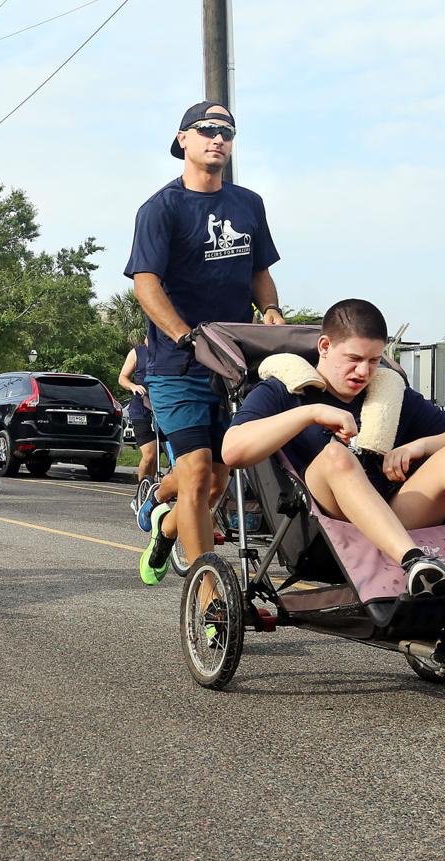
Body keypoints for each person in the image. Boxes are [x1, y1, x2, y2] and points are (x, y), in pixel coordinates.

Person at [221, 299, 445, 595]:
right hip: (326, 530)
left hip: (394, 514)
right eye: (354, 359)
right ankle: (415, 564)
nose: (363, 372)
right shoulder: (284, 391)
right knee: (335, 455)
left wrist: (420, 447)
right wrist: (311, 413)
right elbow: (232, 451)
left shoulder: (389, 395)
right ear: (325, 347)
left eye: (373, 361)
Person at [126, 100, 285, 586]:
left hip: (232, 363)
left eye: (227, 132)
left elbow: (259, 271)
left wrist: (271, 310)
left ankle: (163, 520)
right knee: (196, 474)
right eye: (207, 129)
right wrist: (183, 334)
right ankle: (208, 597)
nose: (218, 138)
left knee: (216, 480)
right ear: (183, 140)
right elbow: (146, 284)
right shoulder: (161, 208)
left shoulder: (248, 204)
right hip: (177, 364)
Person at [118, 336, 159, 482]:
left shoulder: (168, 353)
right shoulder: (137, 352)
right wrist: (133, 386)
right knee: (150, 455)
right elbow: (122, 378)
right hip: (141, 410)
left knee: (164, 457)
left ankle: (154, 486)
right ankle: (143, 488)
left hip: (163, 409)